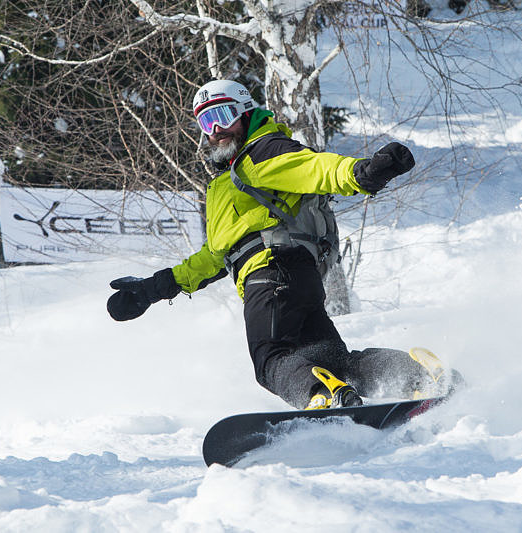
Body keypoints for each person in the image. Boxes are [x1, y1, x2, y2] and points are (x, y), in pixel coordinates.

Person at [107, 79, 449, 410]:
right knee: (339, 365)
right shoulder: (229, 181)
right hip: (298, 279)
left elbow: (314, 168)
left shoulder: (261, 153)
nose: (215, 130)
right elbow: (216, 256)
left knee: (270, 359)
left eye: (222, 117)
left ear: (243, 115)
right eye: (205, 121)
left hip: (269, 277)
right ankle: (415, 374)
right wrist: (152, 288)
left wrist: (363, 173)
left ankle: (320, 397)